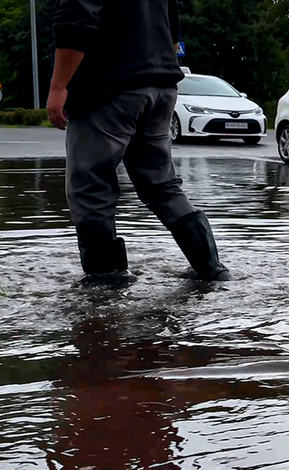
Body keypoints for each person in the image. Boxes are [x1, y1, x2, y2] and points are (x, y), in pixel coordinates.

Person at [48, 0, 231, 281]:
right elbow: (172, 31)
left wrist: (59, 86)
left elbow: (75, 20)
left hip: (106, 88)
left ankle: (106, 283)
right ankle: (211, 269)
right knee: (162, 186)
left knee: (90, 188)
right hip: (160, 86)